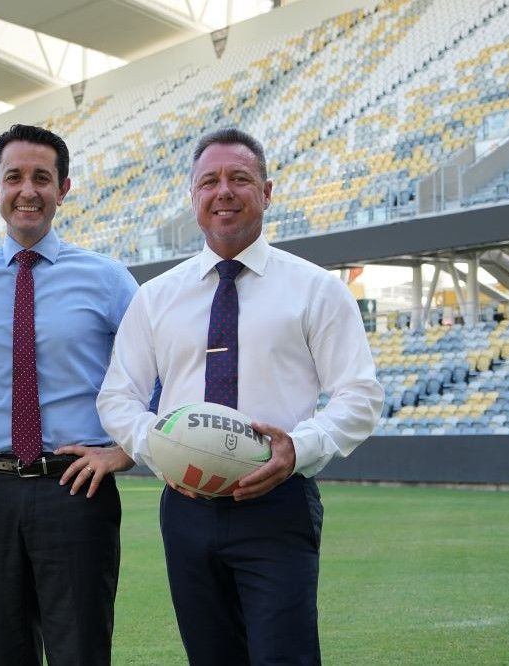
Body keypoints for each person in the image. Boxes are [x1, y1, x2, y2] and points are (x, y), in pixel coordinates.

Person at [97, 128, 384, 664]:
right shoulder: (157, 296)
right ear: (193, 197)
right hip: (185, 507)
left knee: (285, 656)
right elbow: (118, 397)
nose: (223, 191)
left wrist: (298, 447)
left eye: (239, 178)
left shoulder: (316, 288)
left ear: (267, 191)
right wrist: (160, 449)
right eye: (209, 181)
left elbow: (359, 395)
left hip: (278, 503)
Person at [0, 124, 139, 665]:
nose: (28, 190)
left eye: (43, 177)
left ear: (64, 188)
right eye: (13, 177)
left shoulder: (107, 279)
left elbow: (163, 368)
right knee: (5, 654)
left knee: (81, 652)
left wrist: (127, 450)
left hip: (75, 487)